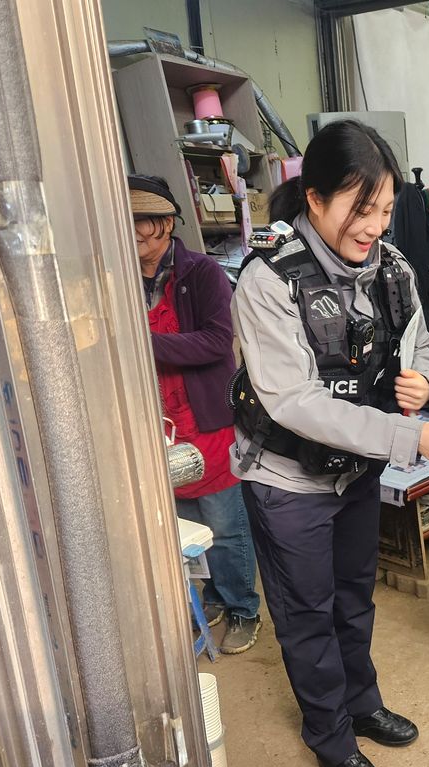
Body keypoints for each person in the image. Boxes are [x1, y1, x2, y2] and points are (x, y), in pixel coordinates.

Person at [230, 121, 429, 767]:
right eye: (359, 210)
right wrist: (406, 440)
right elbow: (294, 402)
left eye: (385, 210)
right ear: (313, 199)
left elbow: (421, 346)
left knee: (352, 600)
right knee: (307, 615)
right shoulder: (269, 280)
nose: (374, 226)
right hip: (289, 481)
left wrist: (426, 387)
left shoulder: (391, 270)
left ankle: (362, 705)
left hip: (355, 474)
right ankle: (332, 739)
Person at [128, 174, 263, 656]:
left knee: (225, 525)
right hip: (157, 425)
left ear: (165, 225)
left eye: (140, 226)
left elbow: (213, 341)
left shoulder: (201, 273)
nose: (132, 236)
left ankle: (244, 608)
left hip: (207, 422)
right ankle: (213, 599)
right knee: (184, 527)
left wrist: (141, 343)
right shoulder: (119, 279)